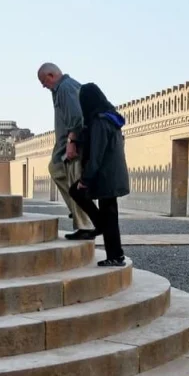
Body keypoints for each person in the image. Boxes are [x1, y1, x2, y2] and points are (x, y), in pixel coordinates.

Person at [68, 82, 129, 267]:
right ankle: (115, 253)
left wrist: (85, 180)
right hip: (112, 175)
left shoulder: (100, 121)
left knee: (77, 191)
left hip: (106, 176)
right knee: (110, 215)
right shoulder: (110, 118)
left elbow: (96, 154)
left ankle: (115, 254)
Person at [36, 63, 96, 240]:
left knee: (74, 183)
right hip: (63, 144)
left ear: (51, 75)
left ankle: (86, 223)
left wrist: (72, 141)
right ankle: (80, 211)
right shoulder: (62, 89)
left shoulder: (65, 88)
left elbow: (77, 117)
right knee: (56, 169)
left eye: (43, 80)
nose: (43, 85)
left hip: (72, 144)